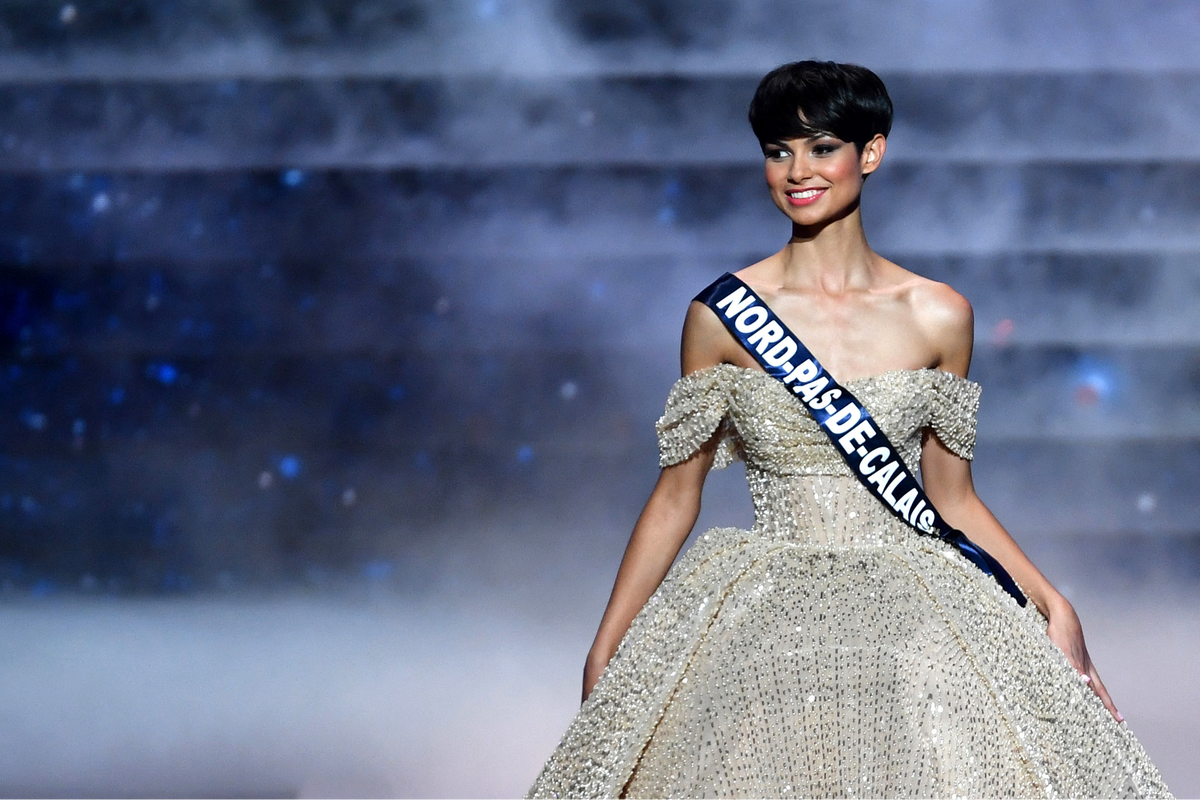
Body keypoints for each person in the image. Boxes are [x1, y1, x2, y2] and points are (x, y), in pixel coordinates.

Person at [527, 61, 1173, 799]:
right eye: (778, 150)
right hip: (763, 614)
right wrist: (607, 644)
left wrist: (1053, 602)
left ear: (871, 152)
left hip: (913, 610)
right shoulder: (719, 317)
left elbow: (953, 498)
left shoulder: (939, 314)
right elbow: (677, 496)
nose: (797, 171)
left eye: (821, 147)